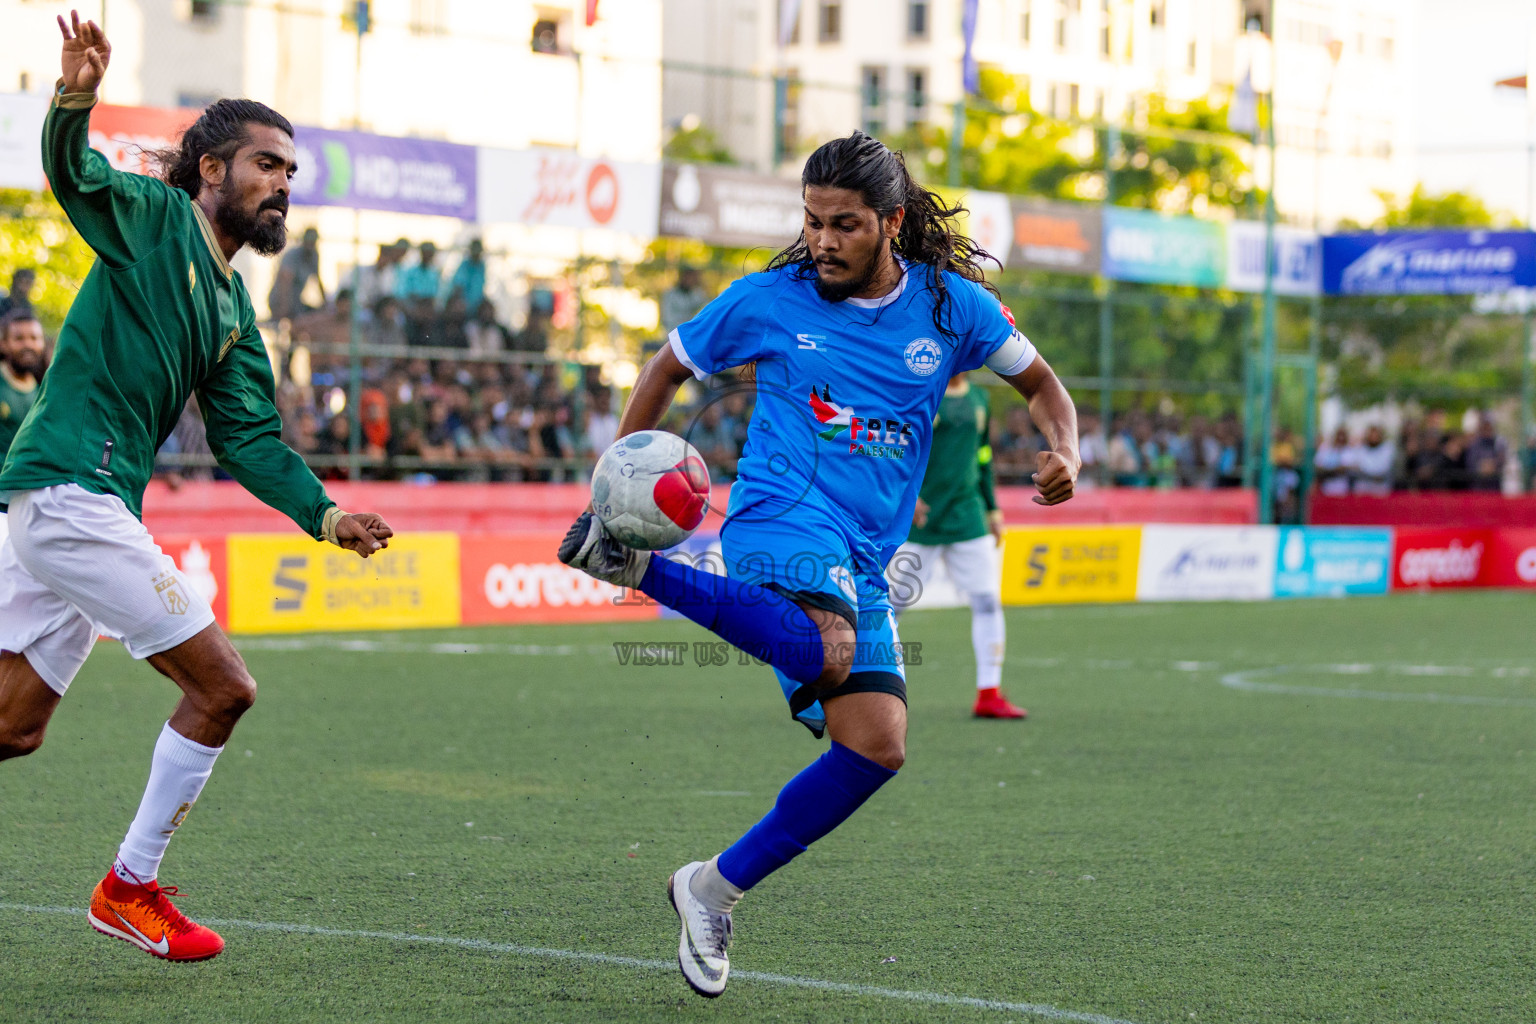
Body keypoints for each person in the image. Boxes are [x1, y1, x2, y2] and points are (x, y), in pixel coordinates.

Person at [559, 131, 1078, 998]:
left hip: (865, 551)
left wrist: (1066, 450)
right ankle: (639, 569)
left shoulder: (953, 308)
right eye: (811, 222)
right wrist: (617, 482)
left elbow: (1045, 389)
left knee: (876, 746)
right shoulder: (768, 298)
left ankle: (710, 887)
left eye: (843, 224)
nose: (823, 241)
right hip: (776, 512)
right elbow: (668, 367)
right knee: (826, 647)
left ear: (891, 223)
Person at [0, 13, 393, 964]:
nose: (282, 187)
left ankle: (128, 885)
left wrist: (328, 514)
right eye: (266, 165)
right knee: (224, 687)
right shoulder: (153, 218)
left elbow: (251, 438)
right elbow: (75, 176)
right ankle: (129, 888)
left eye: (291, 173)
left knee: (12, 729)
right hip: (68, 495)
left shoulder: (230, 308)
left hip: (73, 511)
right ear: (212, 169)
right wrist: (74, 96)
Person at [890, 372, 1024, 719]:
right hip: (922, 519)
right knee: (889, 607)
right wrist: (908, 497)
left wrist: (992, 508)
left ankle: (989, 693)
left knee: (987, 603)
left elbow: (983, 456)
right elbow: (897, 450)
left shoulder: (979, 399)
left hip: (969, 516)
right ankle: (851, 684)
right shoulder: (921, 392)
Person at [0, 310, 48, 550]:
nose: (27, 344)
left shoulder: (45, 392)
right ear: (4, 343)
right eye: (19, 338)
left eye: (34, 337)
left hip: (33, 510)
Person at [266, 225, 324, 321]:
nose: (311, 243)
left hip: (296, 305)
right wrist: (283, 308)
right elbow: (285, 282)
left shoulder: (314, 255)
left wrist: (325, 303)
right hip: (280, 302)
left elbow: (317, 279)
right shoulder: (292, 255)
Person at [660, 264, 707, 337]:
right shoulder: (670, 295)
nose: (692, 280)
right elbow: (667, 317)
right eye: (690, 277)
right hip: (674, 334)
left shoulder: (697, 294)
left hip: (692, 334)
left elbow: (704, 310)